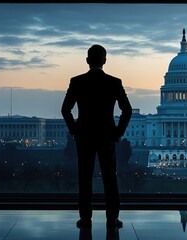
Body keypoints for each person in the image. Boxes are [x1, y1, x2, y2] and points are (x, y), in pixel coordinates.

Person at [61, 44, 132, 229]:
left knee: (84, 178)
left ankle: (85, 219)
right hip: (107, 136)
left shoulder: (76, 81)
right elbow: (127, 110)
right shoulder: (114, 82)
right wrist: (118, 133)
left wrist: (75, 131)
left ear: (87, 60)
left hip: (84, 136)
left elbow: (65, 110)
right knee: (110, 178)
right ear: (105, 61)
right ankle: (112, 219)